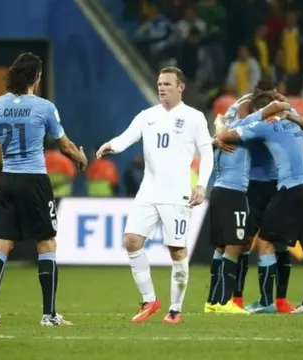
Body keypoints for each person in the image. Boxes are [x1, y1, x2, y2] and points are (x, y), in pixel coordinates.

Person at [96, 66, 213, 324]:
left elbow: (207, 154)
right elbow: (127, 138)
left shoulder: (194, 118)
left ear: (181, 87)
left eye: (168, 84)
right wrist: (111, 146)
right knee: (131, 240)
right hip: (148, 192)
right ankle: (150, 299)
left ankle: (175, 309)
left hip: (178, 195)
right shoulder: (146, 116)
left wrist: (202, 185)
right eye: (160, 83)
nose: (162, 88)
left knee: (177, 252)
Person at [0, 52, 88, 327]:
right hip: (35, 180)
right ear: (36, 77)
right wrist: (80, 157)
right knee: (46, 242)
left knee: (3, 243)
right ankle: (48, 315)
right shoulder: (44, 107)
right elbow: (63, 145)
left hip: (8, 180)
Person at [207, 80, 303, 313]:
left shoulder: (282, 105)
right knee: (241, 243)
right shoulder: (243, 107)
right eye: (269, 96)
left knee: (278, 243)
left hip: (277, 182)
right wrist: (219, 134)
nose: (275, 99)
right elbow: (225, 134)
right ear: (256, 95)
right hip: (250, 185)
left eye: (275, 95)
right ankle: (237, 299)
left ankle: (278, 300)